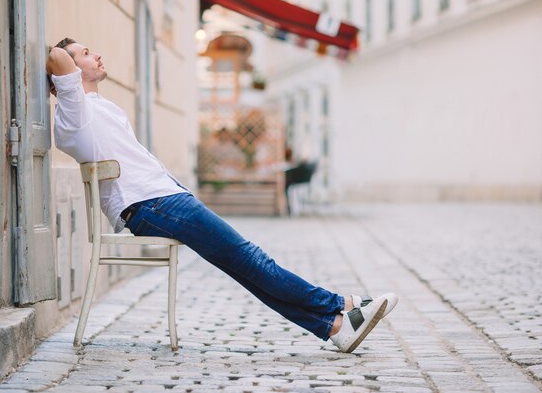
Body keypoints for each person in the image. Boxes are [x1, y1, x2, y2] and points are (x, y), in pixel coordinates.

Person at [46, 38, 398, 353]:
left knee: (245, 266)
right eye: (87, 54)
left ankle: (335, 327)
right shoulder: (73, 114)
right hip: (151, 204)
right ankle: (344, 304)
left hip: (161, 200)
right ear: (67, 75)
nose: (98, 54)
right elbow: (57, 57)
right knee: (251, 258)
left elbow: (65, 61)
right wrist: (59, 55)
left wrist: (77, 59)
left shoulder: (96, 106)